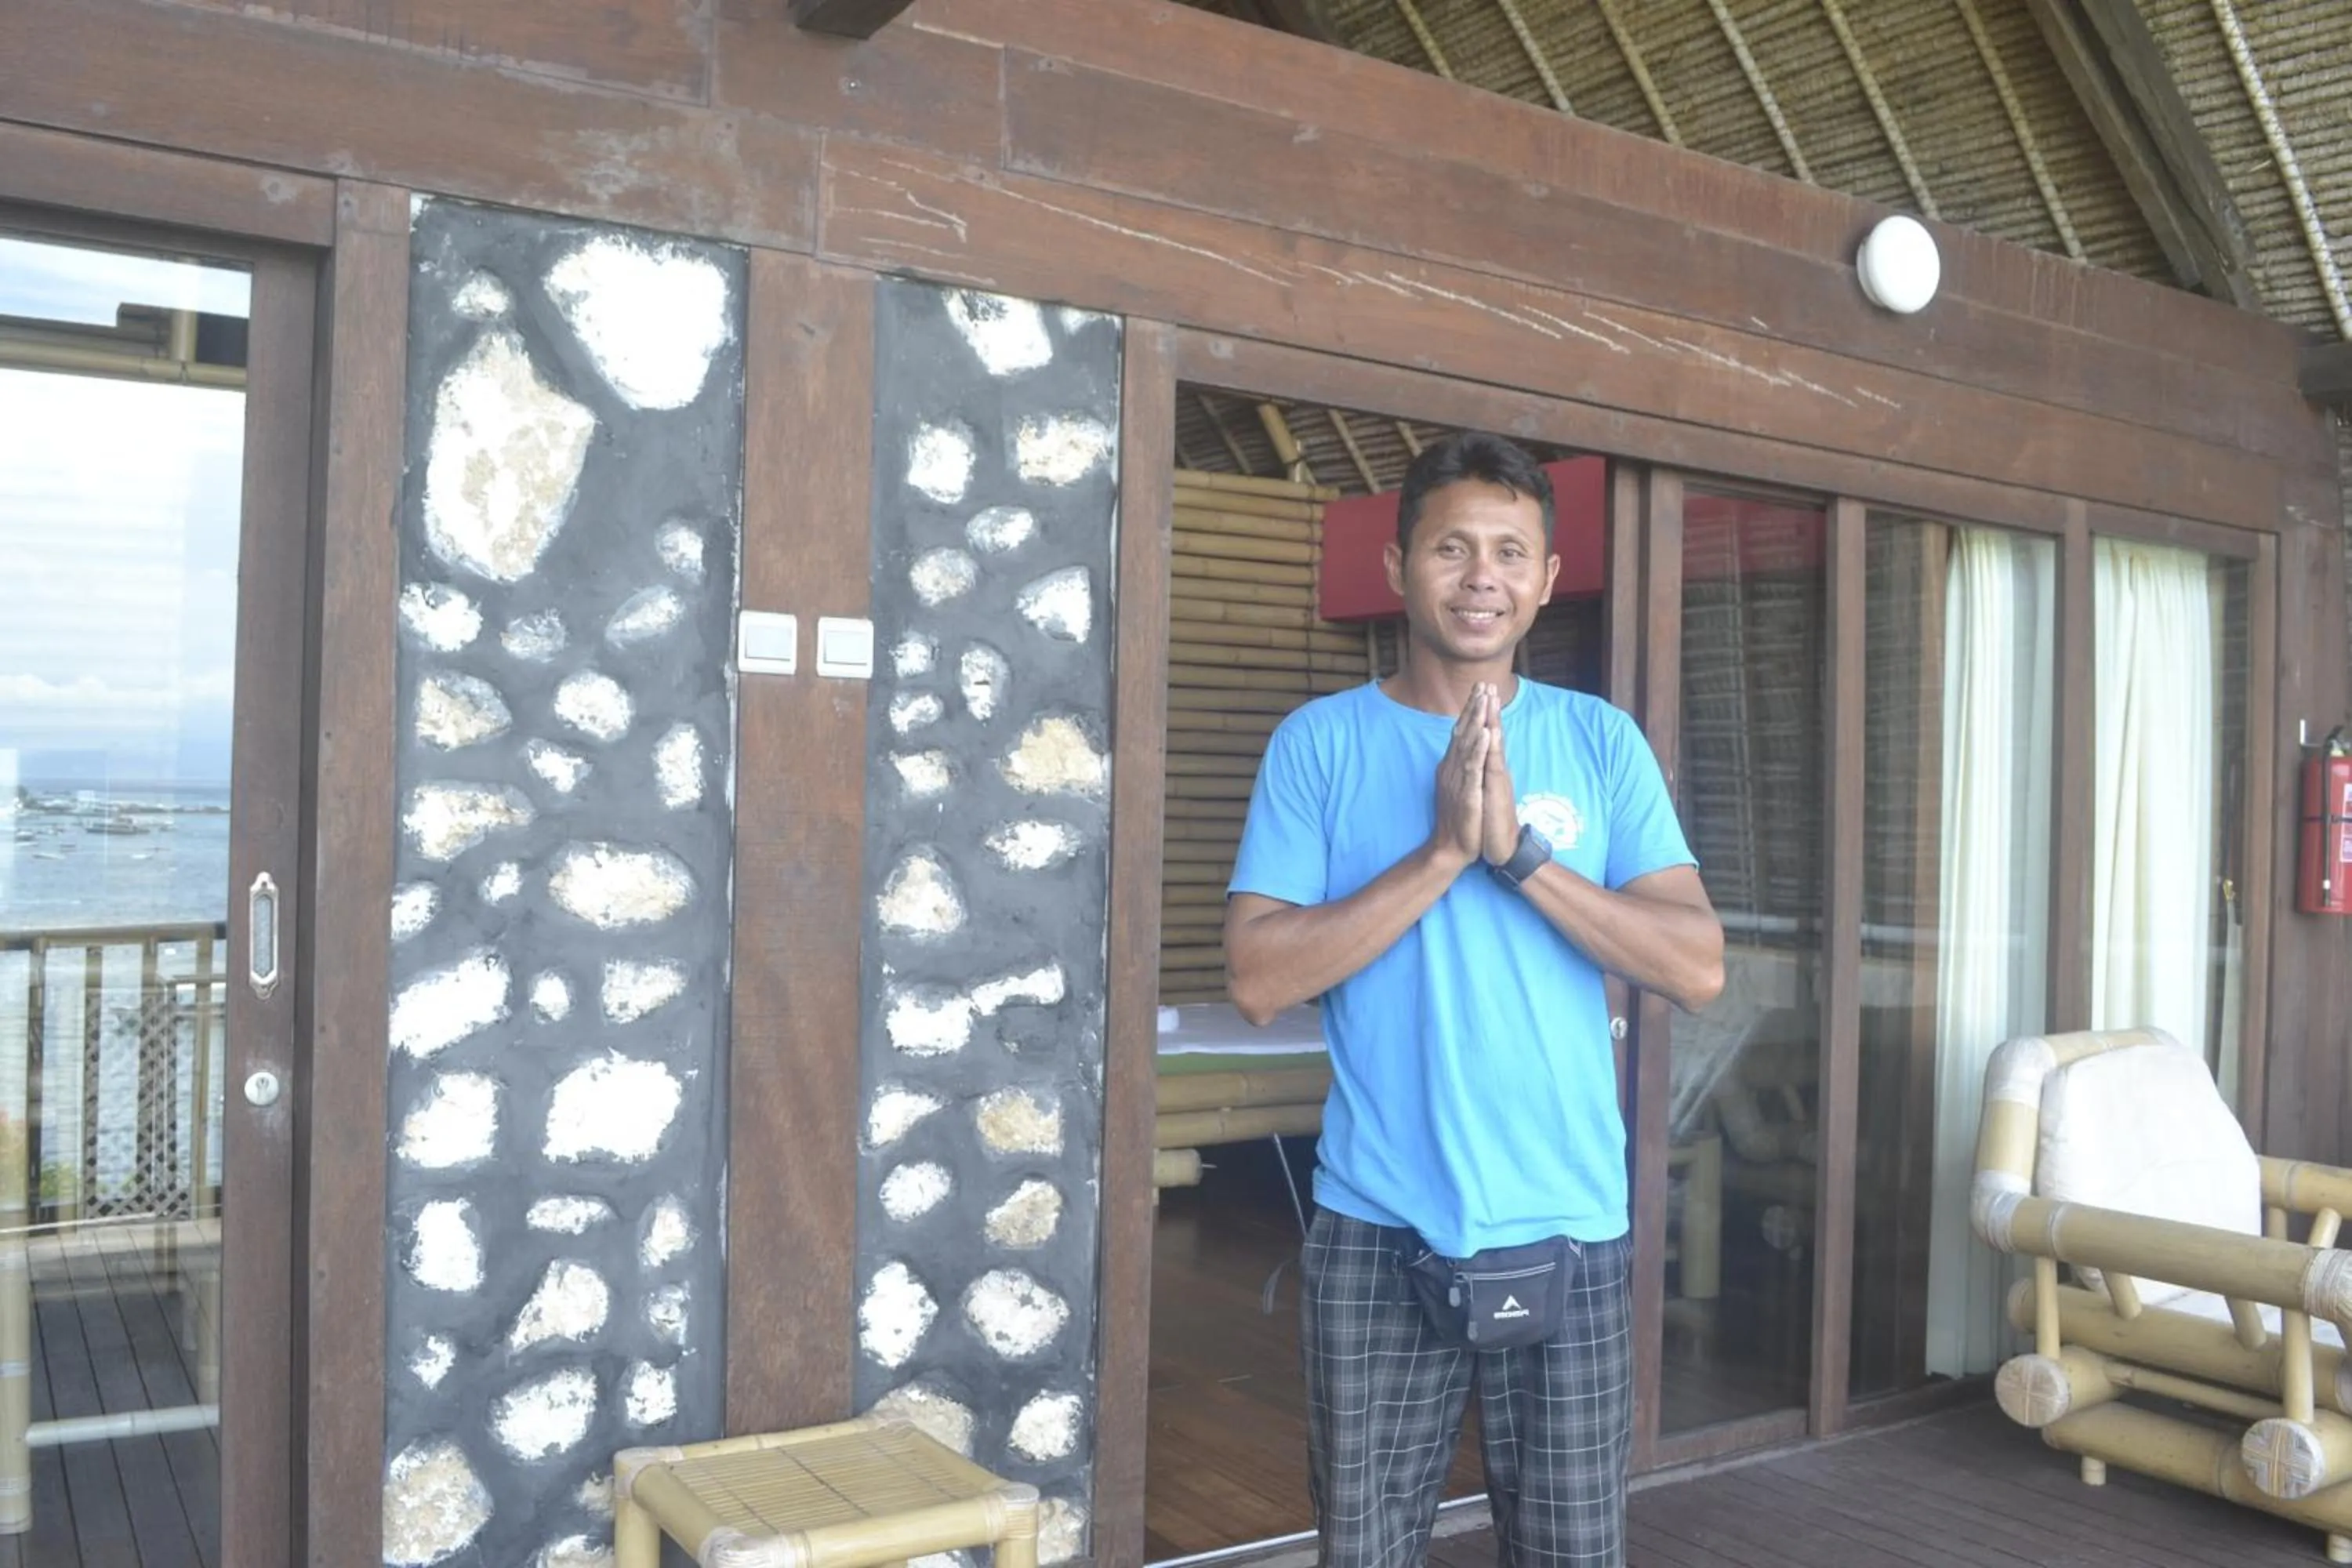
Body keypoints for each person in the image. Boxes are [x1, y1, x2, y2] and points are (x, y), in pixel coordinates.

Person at [1224, 430, 1726, 1567]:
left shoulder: (1601, 744)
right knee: (1369, 1550)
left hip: (1572, 1225)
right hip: (1378, 1227)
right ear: (1398, 567)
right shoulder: (1320, 747)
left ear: (1548, 580)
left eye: (1510, 551)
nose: (1481, 575)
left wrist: (1519, 856)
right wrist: (1443, 855)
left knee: (1570, 1552)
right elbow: (1257, 978)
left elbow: (1696, 966)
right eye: (1453, 547)